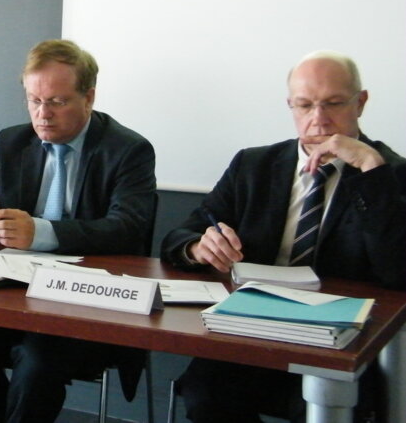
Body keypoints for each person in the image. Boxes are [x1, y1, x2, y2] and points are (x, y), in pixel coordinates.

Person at [161, 50, 406, 423]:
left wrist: (370, 168)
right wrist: (198, 247)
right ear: (290, 106)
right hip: (254, 332)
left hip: (343, 343)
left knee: (325, 405)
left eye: (334, 103)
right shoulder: (253, 165)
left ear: (361, 103)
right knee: (204, 392)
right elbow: (180, 236)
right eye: (305, 105)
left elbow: (398, 272)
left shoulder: (391, 175)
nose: (318, 119)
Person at [0, 39, 156, 423]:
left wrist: (41, 233)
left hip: (84, 301)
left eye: (57, 102)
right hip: (10, 295)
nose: (43, 114)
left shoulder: (127, 150)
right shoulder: (12, 142)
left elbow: (128, 229)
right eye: (34, 101)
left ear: (89, 97)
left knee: (37, 364)